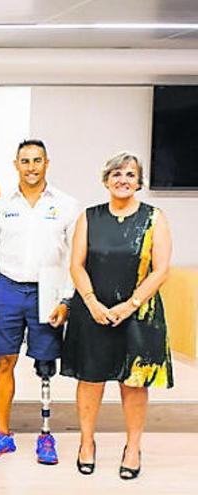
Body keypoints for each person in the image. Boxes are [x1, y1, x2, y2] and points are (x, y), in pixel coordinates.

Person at [62, 152, 172, 480]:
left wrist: (130, 305)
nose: (123, 179)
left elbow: (161, 268)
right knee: (90, 379)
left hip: (139, 314)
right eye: (116, 174)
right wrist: (93, 302)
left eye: (130, 174)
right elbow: (76, 264)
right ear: (106, 179)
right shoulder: (89, 217)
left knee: (134, 383)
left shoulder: (154, 218)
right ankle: (86, 443)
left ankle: (133, 447)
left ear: (139, 182)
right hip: (92, 311)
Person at [0, 140, 79, 464]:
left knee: (46, 366)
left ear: (47, 162)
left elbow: (75, 258)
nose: (31, 166)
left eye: (37, 160)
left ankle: (45, 437)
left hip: (47, 290)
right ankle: (2, 434)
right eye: (25, 161)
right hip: (7, 289)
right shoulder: (0, 206)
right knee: (3, 362)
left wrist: (66, 300)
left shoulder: (66, 205)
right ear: (16, 164)